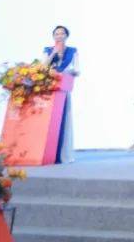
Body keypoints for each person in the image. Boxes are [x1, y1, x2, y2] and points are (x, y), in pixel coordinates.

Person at [43, 25, 79, 164]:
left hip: (63, 88)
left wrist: (71, 72)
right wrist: (53, 53)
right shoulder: (47, 50)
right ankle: (48, 154)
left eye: (62, 33)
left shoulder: (72, 51)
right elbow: (42, 67)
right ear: (53, 36)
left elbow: (77, 69)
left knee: (63, 119)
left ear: (66, 36)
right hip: (49, 89)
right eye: (57, 34)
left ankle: (63, 155)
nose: (59, 36)